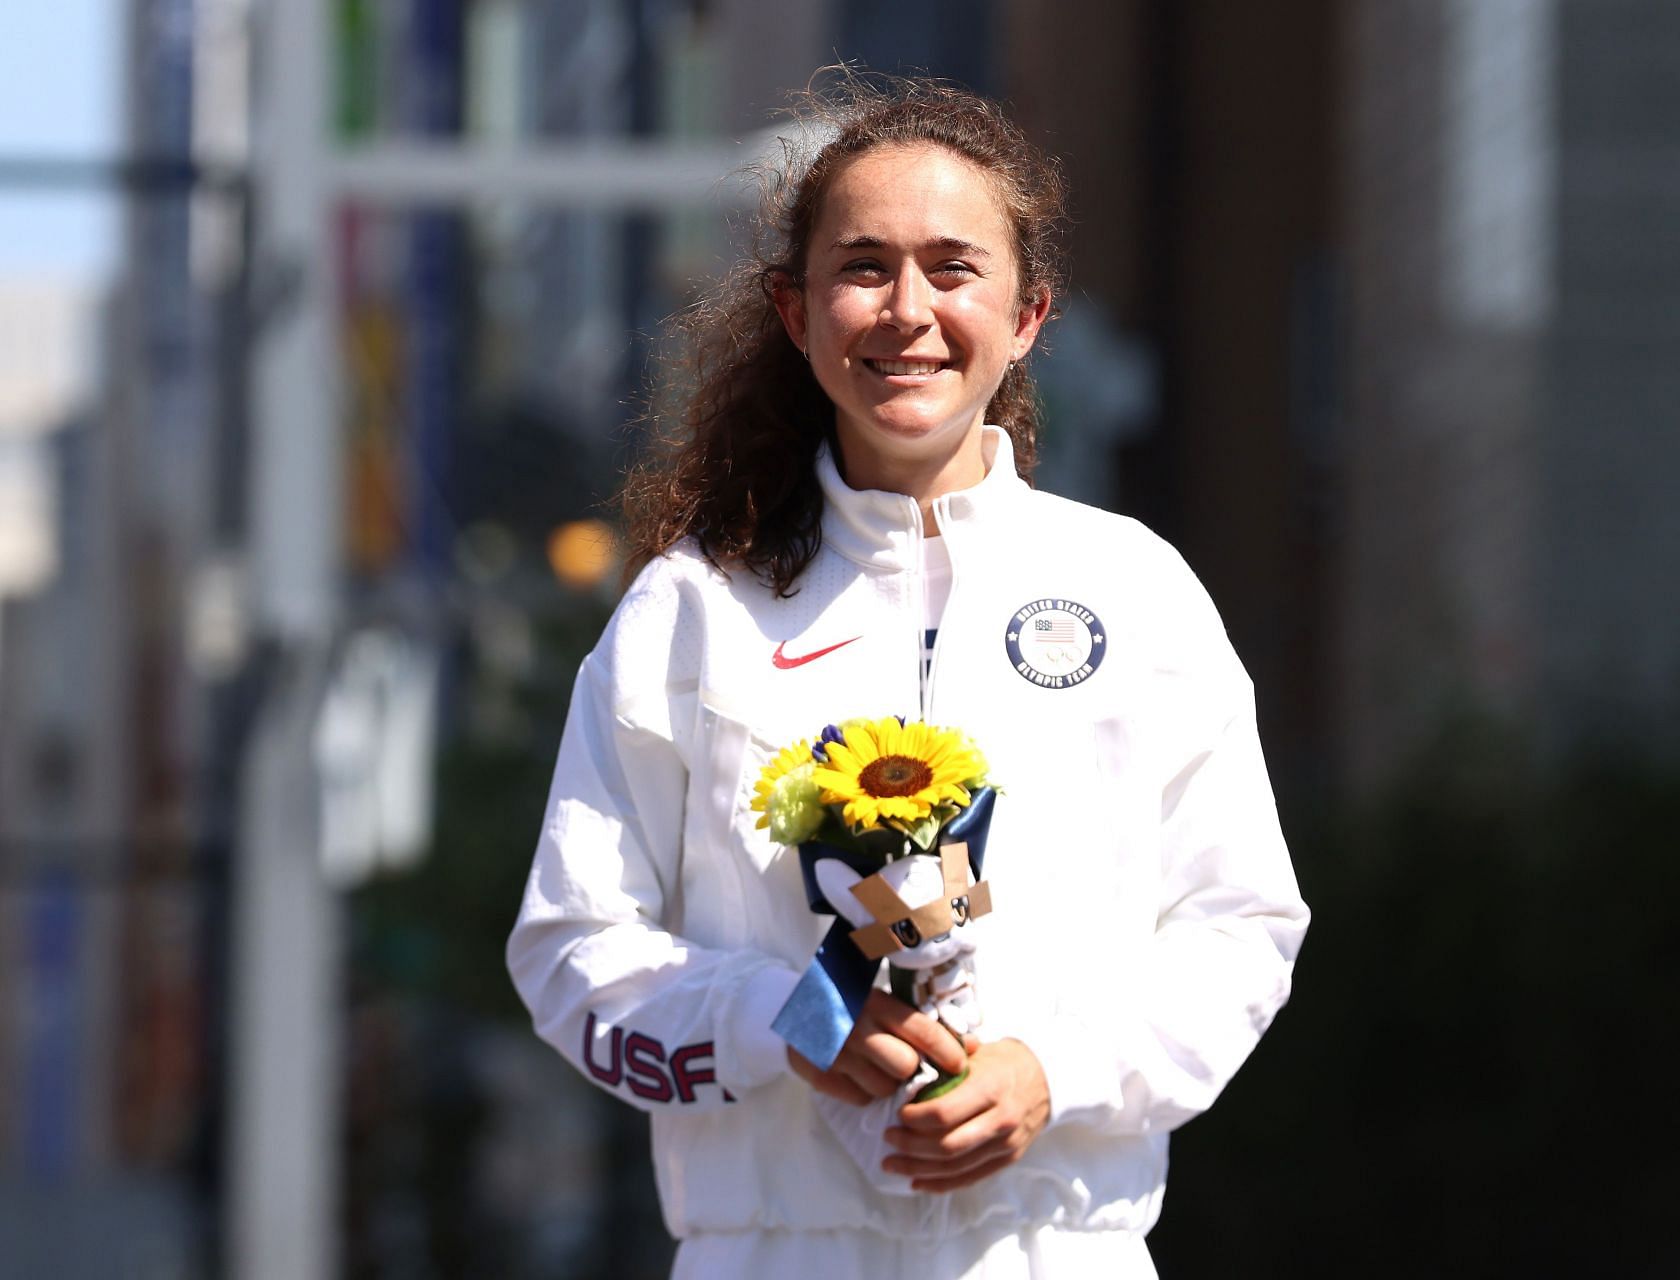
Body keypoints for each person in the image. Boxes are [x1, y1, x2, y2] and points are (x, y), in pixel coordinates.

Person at [507, 72, 1309, 1279]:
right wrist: (782, 1021)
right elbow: (572, 951)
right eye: (863, 266)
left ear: (1031, 313)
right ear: (795, 309)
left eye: (954, 266)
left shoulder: (1132, 591)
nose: (907, 310)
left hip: (1057, 1247)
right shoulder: (695, 608)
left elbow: (1240, 924)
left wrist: (1060, 1070)